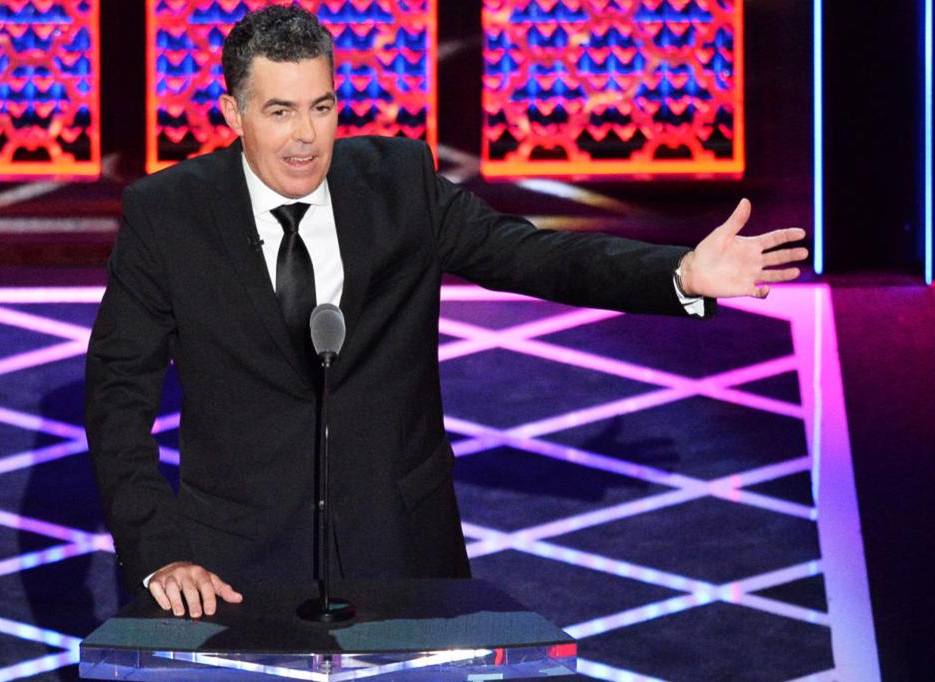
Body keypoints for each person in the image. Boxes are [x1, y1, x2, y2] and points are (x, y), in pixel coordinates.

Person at [85, 5, 807, 620]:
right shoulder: (168, 216)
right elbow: (118, 399)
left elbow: (531, 256)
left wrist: (678, 273)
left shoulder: (399, 182)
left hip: (402, 549)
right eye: (279, 111)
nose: (306, 137)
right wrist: (159, 554)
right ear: (233, 114)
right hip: (235, 566)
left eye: (322, 106)